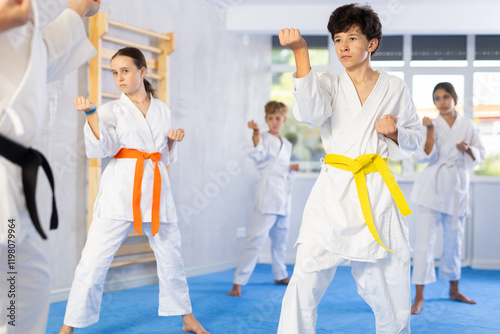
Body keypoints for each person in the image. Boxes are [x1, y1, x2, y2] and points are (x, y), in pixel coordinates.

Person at [277, 3, 422, 333]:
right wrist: (300, 52)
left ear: (371, 44)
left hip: (375, 193)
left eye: (352, 37)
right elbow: (309, 113)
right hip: (333, 192)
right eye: (338, 38)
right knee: (304, 279)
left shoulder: (394, 87)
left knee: (390, 281)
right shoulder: (328, 83)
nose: (343, 46)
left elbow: (414, 139)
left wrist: (396, 132)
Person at [58, 47, 209, 334]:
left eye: (124, 71)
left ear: (142, 71)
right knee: (92, 262)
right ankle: (68, 327)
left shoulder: (162, 108)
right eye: (114, 73)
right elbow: (101, 149)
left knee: (171, 257)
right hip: (120, 191)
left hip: (156, 191)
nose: (119, 78)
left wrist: (172, 141)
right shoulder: (110, 109)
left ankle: (187, 318)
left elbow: (162, 156)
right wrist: (91, 114)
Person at [0, 1, 99, 333]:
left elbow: (36, 58)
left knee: (26, 283)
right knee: (20, 280)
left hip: (11, 175)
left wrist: (76, 12)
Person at [410, 82, 485, 314]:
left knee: (455, 240)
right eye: (436, 99)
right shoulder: (429, 124)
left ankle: (454, 289)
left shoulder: (468, 125)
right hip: (432, 187)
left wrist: (468, 149)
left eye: (445, 97)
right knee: (424, 242)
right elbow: (424, 157)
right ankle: (419, 296)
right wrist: (429, 131)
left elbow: (480, 154)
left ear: (454, 98)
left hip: (456, 188)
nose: (441, 102)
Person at [228, 101, 299, 297]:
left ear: (284, 120)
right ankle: (238, 282)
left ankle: (280, 274)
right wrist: (256, 133)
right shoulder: (264, 138)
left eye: (278, 118)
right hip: (268, 193)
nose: (274, 122)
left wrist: (290, 169)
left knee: (281, 238)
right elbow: (257, 155)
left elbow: (281, 168)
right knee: (255, 238)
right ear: (266, 119)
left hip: (284, 195)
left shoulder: (287, 144)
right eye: (270, 118)